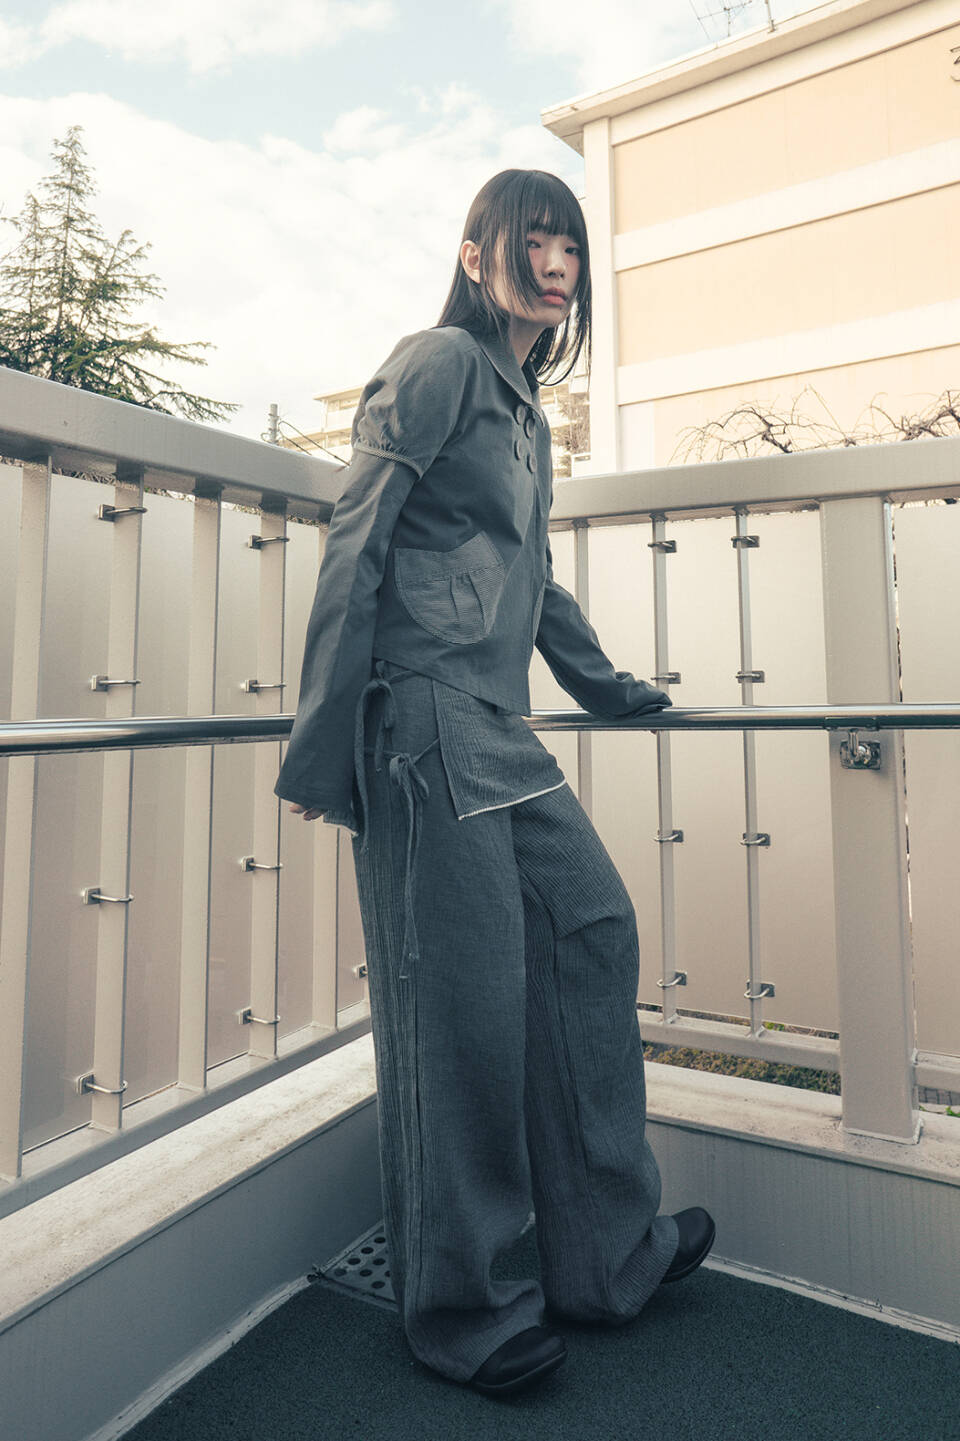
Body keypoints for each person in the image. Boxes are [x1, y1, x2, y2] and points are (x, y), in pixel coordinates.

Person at [275, 168, 715, 1397]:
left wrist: (605, 685)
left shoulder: (526, 413)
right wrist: (325, 745)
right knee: (460, 1010)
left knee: (591, 929)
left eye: (570, 241)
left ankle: (606, 1256)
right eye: (534, 238)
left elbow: (533, 580)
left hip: (497, 728)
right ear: (477, 256)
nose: (557, 258)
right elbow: (358, 536)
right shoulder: (435, 364)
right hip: (418, 721)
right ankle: (460, 1310)